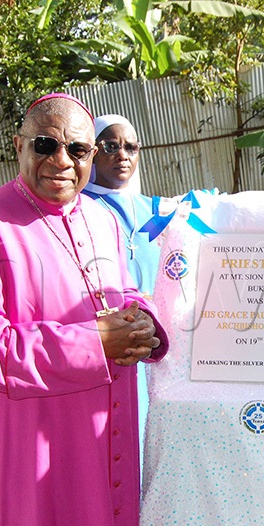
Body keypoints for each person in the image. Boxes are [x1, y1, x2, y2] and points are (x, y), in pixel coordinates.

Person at [0, 92, 168, 526]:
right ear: (19, 146)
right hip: (27, 438)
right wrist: (95, 342)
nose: (61, 161)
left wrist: (144, 324)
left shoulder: (102, 217)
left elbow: (122, 293)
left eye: (78, 150)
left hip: (103, 427)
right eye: (46, 144)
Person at [83, 114, 161, 460]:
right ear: (91, 153)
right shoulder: (77, 209)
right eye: (110, 146)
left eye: (130, 147)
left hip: (152, 336)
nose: (122, 155)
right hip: (105, 340)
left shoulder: (157, 209)